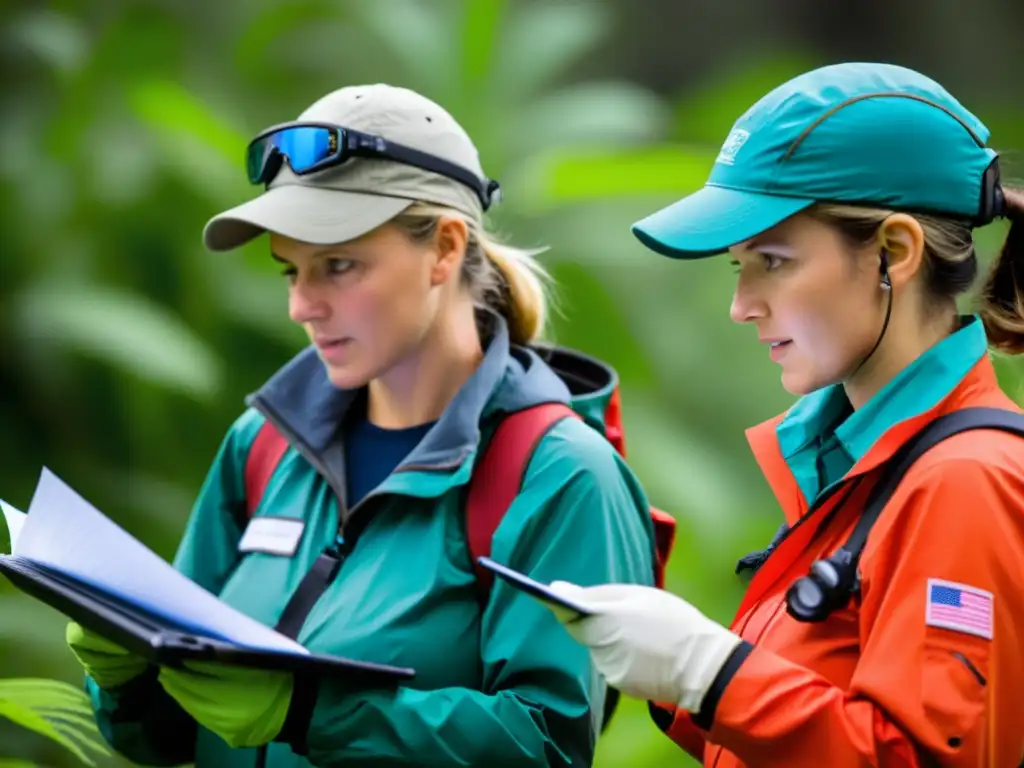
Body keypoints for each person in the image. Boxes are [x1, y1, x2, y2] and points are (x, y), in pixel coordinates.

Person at [63, 83, 657, 767]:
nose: (302, 306)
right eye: (291, 271)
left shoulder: (557, 475)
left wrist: (312, 713)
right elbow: (162, 737)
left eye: (338, 266)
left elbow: (549, 746)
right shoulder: (261, 446)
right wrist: (124, 676)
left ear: (443, 248)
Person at [544, 62, 1024, 767]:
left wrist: (710, 673)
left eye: (773, 260)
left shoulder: (965, 481)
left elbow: (920, 758)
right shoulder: (866, 462)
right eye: (737, 266)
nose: (742, 306)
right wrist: (682, 671)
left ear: (895, 252)